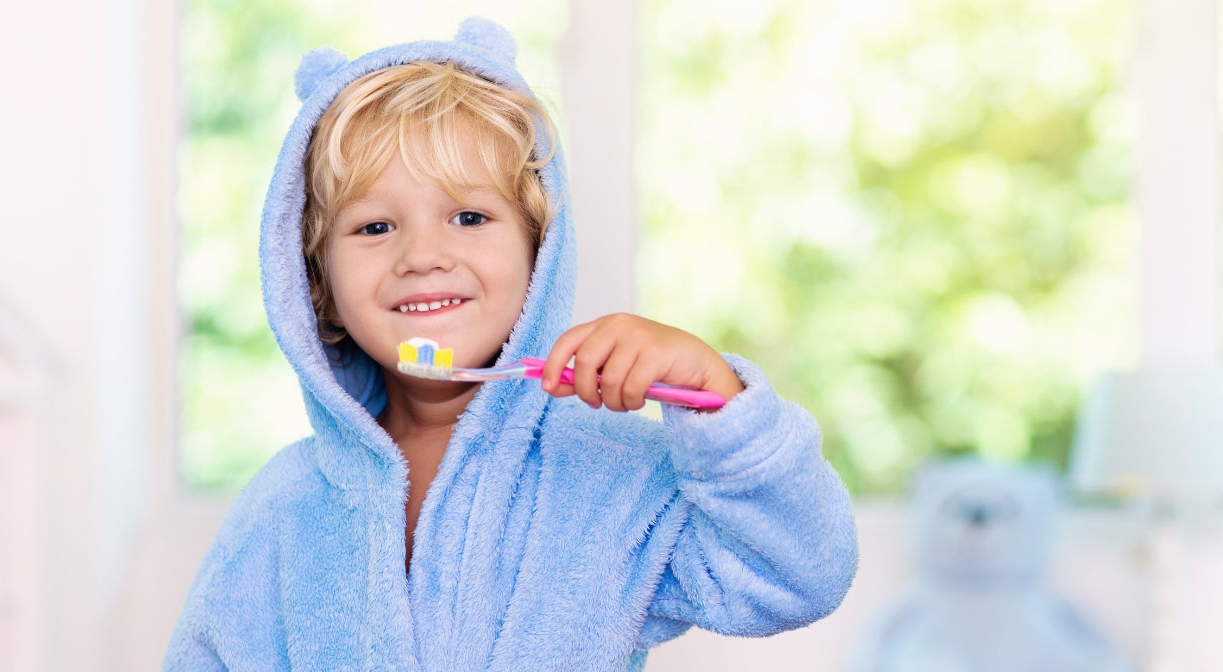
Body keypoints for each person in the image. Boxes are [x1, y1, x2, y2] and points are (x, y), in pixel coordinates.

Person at [163, 17, 857, 672]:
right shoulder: (286, 504)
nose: (423, 254)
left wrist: (719, 406)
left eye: (469, 216)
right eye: (375, 227)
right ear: (318, 288)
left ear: (540, 254)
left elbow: (799, 576)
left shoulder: (611, 472)